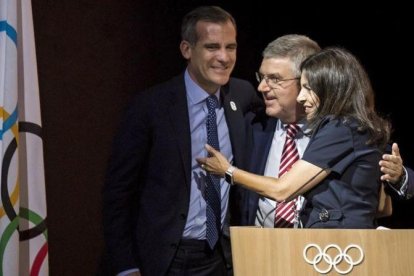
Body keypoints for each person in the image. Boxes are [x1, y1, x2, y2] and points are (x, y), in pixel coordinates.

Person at [102, 6, 261, 276]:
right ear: (187, 49)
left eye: (230, 47)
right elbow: (118, 194)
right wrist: (126, 266)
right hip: (164, 259)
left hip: (222, 258)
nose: (224, 57)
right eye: (212, 47)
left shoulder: (243, 95)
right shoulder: (150, 107)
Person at [198, 46, 393, 229]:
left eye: (308, 88)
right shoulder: (358, 127)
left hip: (335, 250)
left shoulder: (341, 129)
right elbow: (383, 207)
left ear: (331, 88)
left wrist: (228, 171)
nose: (301, 97)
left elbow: (282, 190)